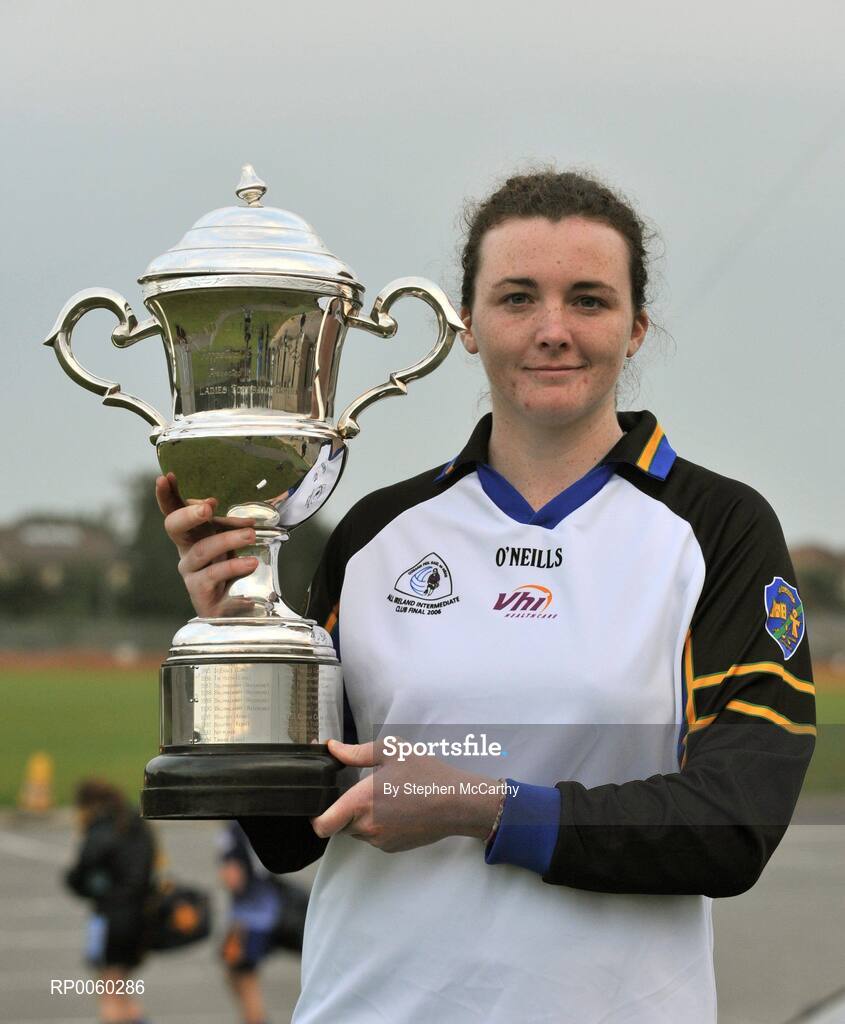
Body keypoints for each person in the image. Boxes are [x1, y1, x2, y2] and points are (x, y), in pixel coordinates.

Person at [156, 169, 816, 1023]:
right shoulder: (374, 533)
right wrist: (241, 640)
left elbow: (733, 825)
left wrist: (476, 807)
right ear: (467, 325)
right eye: (516, 298)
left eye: (587, 299)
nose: (552, 330)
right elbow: (289, 834)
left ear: (636, 326)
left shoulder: (719, 528)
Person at [65, 779, 155, 1024]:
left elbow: (77, 875)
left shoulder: (101, 829)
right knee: (122, 990)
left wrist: (90, 886)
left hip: (111, 918)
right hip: (138, 916)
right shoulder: (136, 823)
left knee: (109, 995)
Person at [218, 821, 308, 1024]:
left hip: (250, 918)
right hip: (268, 909)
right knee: (236, 974)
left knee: (245, 980)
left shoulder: (234, 829)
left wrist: (224, 873)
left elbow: (234, 878)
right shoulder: (256, 822)